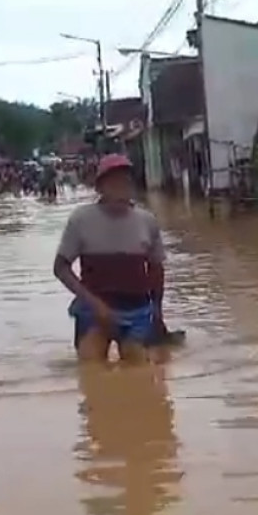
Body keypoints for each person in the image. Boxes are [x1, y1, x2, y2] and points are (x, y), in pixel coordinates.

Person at [54, 154, 164, 363]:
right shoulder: (81, 220)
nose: (120, 187)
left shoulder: (147, 221)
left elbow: (156, 269)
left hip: (137, 309)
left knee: (140, 371)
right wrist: (95, 304)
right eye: (113, 182)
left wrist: (157, 311)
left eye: (125, 181)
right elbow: (61, 268)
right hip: (93, 310)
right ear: (99, 188)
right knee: (91, 369)